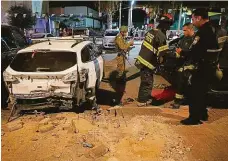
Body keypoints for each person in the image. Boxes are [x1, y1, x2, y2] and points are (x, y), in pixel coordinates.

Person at [180, 8, 219, 125]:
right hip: (210, 66)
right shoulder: (212, 29)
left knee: (194, 92)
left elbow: (195, 51)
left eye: (193, 19)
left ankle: (194, 118)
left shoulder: (202, 32)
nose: (192, 22)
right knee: (202, 92)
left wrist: (182, 52)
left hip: (201, 67)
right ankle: (203, 114)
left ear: (198, 18)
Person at [135, 15, 173, 107]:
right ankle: (142, 101)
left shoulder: (151, 32)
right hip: (147, 63)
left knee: (146, 81)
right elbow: (163, 53)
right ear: (165, 25)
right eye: (169, 25)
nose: (169, 28)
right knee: (147, 82)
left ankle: (145, 97)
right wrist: (174, 54)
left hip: (142, 59)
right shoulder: (161, 36)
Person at [170, 22, 195, 109]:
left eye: (185, 30)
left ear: (190, 29)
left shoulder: (195, 40)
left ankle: (177, 102)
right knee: (178, 80)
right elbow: (178, 47)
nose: (183, 32)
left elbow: (193, 53)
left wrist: (181, 52)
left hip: (191, 64)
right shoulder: (184, 38)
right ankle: (182, 99)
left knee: (181, 80)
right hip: (182, 63)